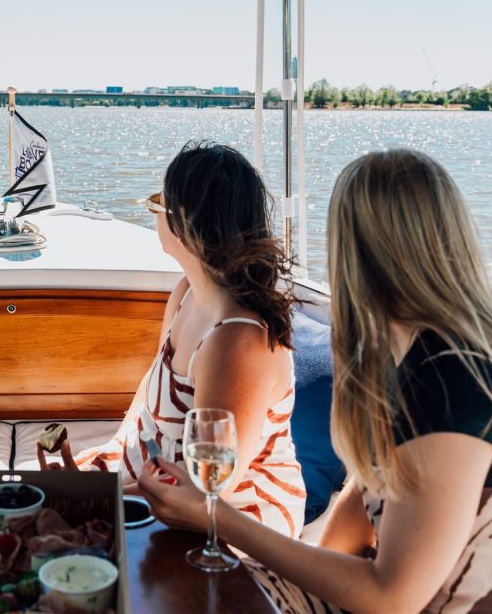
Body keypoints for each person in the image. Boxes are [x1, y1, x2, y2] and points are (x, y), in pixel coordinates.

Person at [139, 148, 492, 613]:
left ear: (354, 253)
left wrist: (216, 518)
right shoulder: (416, 361)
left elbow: (390, 597)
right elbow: (351, 527)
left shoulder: (451, 385)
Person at [41, 141, 306, 537]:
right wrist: (106, 457)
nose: (153, 215)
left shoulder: (238, 343)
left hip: (232, 520)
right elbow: (146, 401)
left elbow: (206, 491)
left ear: (186, 225)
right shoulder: (186, 293)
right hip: (154, 481)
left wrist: (91, 498)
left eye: (157, 204)